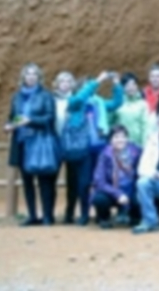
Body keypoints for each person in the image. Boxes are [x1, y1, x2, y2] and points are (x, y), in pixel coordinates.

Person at [54, 71, 114, 225]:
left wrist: (117, 85)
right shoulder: (74, 102)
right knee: (73, 183)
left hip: (87, 149)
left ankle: (85, 213)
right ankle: (71, 213)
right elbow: (81, 96)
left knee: (84, 182)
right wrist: (97, 80)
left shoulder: (94, 103)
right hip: (72, 148)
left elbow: (114, 103)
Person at [6, 64, 57, 226]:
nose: (31, 77)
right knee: (27, 181)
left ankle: (47, 215)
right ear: (23, 77)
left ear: (39, 77)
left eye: (34, 74)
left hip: (40, 142)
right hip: (21, 142)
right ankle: (32, 215)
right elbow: (13, 116)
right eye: (28, 74)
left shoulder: (46, 95)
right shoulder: (17, 97)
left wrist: (31, 121)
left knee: (44, 180)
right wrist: (9, 125)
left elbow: (50, 118)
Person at [91, 125, 142, 229]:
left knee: (141, 195)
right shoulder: (104, 155)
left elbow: (140, 174)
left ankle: (135, 217)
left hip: (131, 190)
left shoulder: (136, 153)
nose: (120, 140)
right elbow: (100, 181)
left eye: (123, 137)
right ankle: (104, 218)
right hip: (112, 191)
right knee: (99, 199)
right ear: (110, 140)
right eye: (116, 137)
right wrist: (118, 194)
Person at [112, 73, 150, 146]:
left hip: (138, 145)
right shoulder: (117, 103)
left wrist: (145, 145)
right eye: (127, 85)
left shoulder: (143, 104)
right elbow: (110, 123)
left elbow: (146, 127)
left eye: (133, 84)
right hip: (119, 145)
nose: (131, 87)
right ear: (123, 87)